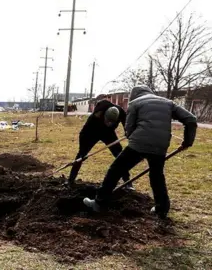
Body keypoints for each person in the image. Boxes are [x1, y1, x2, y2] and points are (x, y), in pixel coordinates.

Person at [83, 85, 197, 220]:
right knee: (157, 176)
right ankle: (162, 209)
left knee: (116, 169)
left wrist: (133, 140)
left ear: (134, 95)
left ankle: (98, 203)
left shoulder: (135, 103)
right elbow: (191, 119)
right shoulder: (168, 103)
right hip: (161, 145)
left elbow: (129, 128)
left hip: (139, 143)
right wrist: (188, 141)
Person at [67, 99, 133, 189]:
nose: (109, 123)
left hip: (108, 133)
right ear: (103, 115)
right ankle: (70, 180)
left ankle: (128, 182)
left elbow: (127, 125)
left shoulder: (120, 112)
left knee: (119, 155)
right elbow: (84, 132)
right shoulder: (98, 112)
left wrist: (127, 132)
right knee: (80, 156)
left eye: (111, 122)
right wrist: (83, 149)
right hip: (92, 132)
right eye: (107, 121)